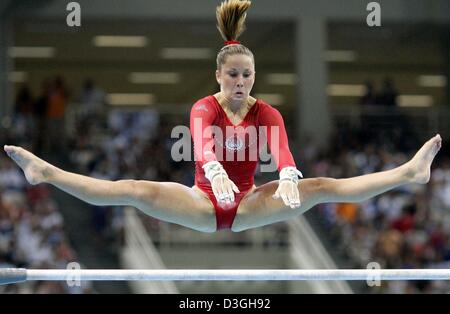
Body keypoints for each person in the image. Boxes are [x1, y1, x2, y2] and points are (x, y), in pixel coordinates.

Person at [3, 0, 442, 233]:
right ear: (218, 74)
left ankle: (408, 172)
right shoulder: (204, 107)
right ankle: (47, 172)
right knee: (132, 190)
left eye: (247, 75)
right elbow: (202, 141)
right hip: (200, 202)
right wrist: (212, 172)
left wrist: (289, 176)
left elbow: (282, 150)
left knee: (322, 187)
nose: (240, 81)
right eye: (232, 74)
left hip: (250, 204)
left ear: (254, 76)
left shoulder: (266, 112)